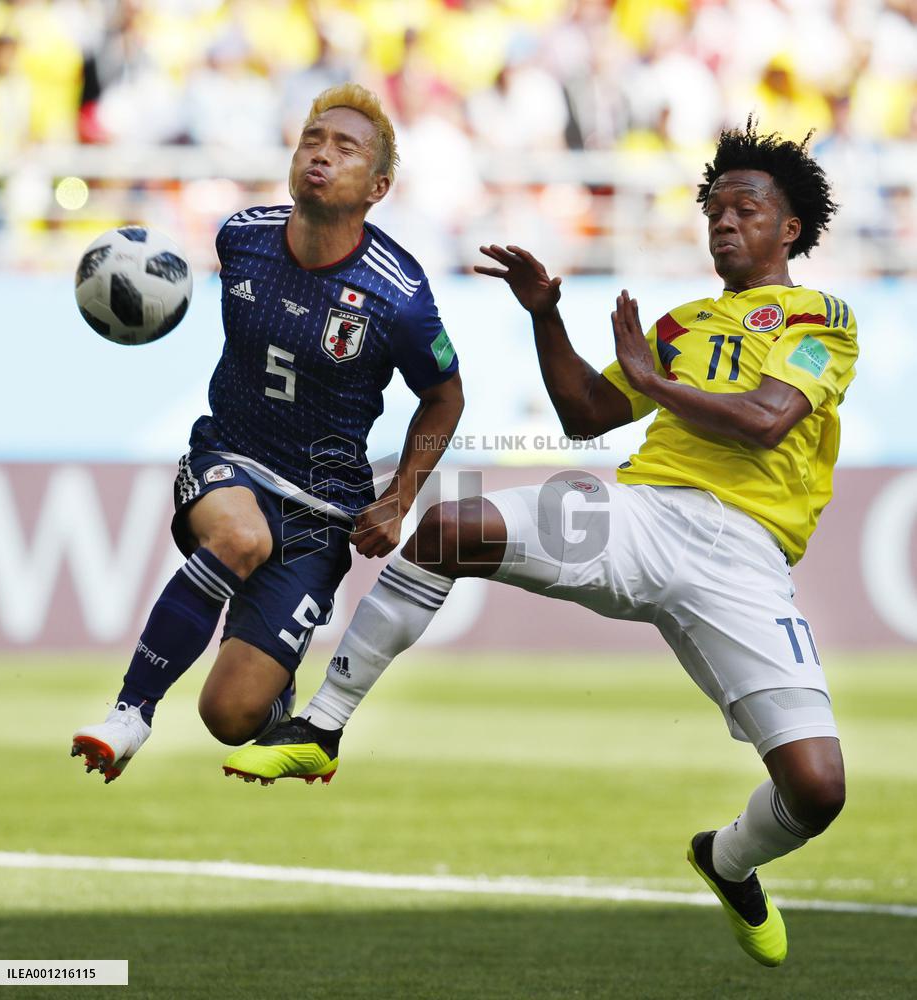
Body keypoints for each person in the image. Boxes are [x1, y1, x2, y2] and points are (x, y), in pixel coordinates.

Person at [225, 120, 858, 967]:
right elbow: (588, 416)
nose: (724, 222)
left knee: (817, 790)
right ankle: (322, 728)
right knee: (449, 527)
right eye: (713, 208)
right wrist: (547, 316)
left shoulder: (825, 316)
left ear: (789, 229)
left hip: (745, 556)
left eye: (745, 208)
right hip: (641, 513)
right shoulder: (681, 324)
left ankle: (728, 859)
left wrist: (657, 382)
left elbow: (768, 420)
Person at [70, 83, 464, 784]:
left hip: (322, 512)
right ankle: (130, 713)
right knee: (240, 537)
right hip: (229, 459)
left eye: (345, 147)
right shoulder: (241, 237)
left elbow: (444, 398)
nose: (321, 153)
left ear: (377, 187)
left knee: (230, 714)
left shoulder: (398, 294)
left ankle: (275, 688)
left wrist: (401, 497)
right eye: (313, 139)